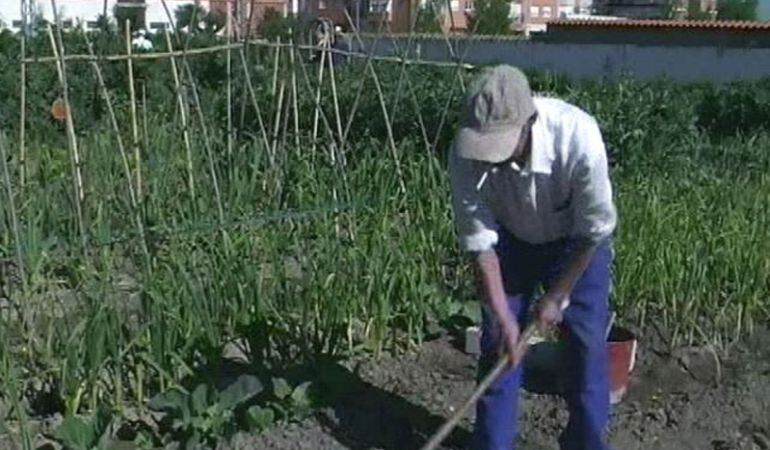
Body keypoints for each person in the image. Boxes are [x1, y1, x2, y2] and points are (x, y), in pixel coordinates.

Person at [448, 65, 617, 450]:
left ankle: (584, 442)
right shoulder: (464, 156)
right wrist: (504, 315)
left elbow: (594, 230)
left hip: (576, 244)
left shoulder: (578, 138)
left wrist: (557, 296)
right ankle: (493, 444)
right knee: (499, 344)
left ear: (528, 124)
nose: (488, 158)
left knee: (585, 342)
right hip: (509, 242)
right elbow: (480, 243)